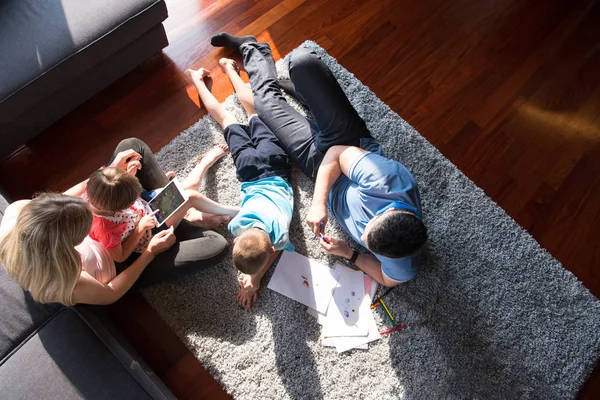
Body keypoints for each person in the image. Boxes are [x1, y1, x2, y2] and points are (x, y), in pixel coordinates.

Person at [210, 33, 428, 287]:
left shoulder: (405, 265)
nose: (363, 233)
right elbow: (336, 155)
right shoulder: (386, 179)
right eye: (368, 230)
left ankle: (252, 48)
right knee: (301, 62)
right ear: (390, 209)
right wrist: (318, 204)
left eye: (365, 238)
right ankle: (305, 95)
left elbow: (385, 277)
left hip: (317, 165)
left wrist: (350, 253)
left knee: (265, 106)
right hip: (348, 144)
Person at [0, 141, 231, 305]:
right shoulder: (63, 280)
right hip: (127, 258)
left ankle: (183, 217)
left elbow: (72, 199)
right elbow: (110, 294)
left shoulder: (17, 211)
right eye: (85, 224)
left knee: (131, 147)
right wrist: (150, 252)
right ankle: (182, 217)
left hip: (129, 219)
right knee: (216, 245)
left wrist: (106, 174)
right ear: (70, 244)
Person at [187, 57, 294, 308]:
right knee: (229, 118)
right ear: (235, 240)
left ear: (235, 241)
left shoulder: (280, 231)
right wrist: (253, 280)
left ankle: (220, 72)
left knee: (250, 115)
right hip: (249, 171)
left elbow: (273, 250)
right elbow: (269, 253)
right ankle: (213, 74)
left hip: (276, 167)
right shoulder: (238, 224)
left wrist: (253, 279)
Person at [85, 166, 239, 264]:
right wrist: (140, 228)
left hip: (145, 206)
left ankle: (195, 216)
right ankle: (235, 212)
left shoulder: (98, 192)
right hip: (149, 230)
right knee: (191, 196)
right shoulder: (105, 229)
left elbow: (114, 184)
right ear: (117, 208)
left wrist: (128, 175)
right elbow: (120, 257)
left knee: (184, 189)